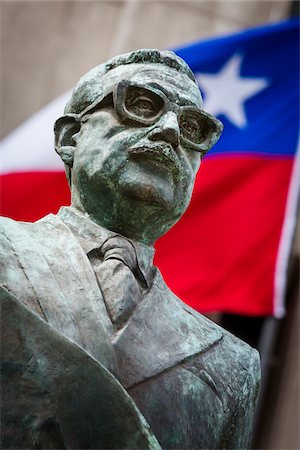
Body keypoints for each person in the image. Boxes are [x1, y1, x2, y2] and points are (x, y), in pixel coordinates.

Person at [0, 49, 260, 449]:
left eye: (193, 128)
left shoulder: (234, 367)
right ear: (70, 137)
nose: (171, 131)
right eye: (142, 105)